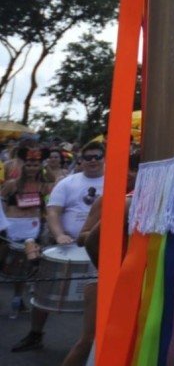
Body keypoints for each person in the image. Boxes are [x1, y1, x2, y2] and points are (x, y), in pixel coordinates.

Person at [12, 141, 105, 352]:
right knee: (46, 291)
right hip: (67, 246)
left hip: (100, 248)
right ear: (80, 160)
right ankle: (35, 334)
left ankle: (93, 343)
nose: (92, 160)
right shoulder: (67, 183)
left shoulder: (116, 181)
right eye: (88, 157)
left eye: (97, 156)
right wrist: (59, 234)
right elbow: (53, 211)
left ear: (103, 158)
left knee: (97, 297)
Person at [1, 147, 52, 314]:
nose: (32, 168)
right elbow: (1, 202)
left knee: (24, 266)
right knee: (3, 261)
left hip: (32, 230)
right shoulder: (12, 184)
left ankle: (18, 298)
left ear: (40, 166)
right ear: (23, 165)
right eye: (29, 164)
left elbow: (47, 206)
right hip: (10, 228)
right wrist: (2, 225)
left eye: (35, 165)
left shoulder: (43, 186)